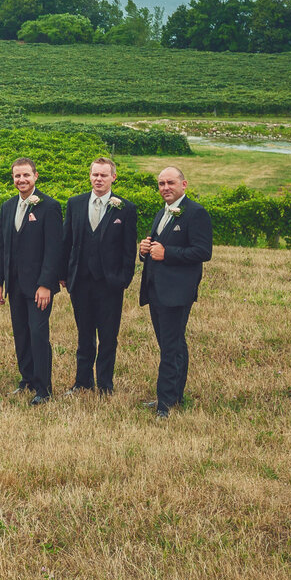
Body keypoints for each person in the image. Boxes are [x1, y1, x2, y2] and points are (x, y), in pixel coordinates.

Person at [139, 166, 212, 419]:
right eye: (161, 183)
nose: (165, 187)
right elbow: (157, 246)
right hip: (157, 289)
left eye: (170, 182)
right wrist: (144, 249)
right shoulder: (162, 213)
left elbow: (203, 252)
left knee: (170, 347)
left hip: (177, 292)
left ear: (184, 184)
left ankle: (165, 403)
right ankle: (174, 397)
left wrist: (167, 253)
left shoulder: (196, 213)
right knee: (173, 344)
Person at [59, 157, 137, 395]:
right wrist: (63, 274)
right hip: (80, 282)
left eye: (104, 175)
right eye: (95, 174)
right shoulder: (75, 203)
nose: (98, 179)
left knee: (108, 337)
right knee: (84, 334)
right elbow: (66, 242)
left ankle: (105, 384)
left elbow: (128, 249)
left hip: (110, 284)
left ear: (113, 177)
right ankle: (83, 381)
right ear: (90, 176)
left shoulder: (125, 208)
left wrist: (123, 279)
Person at [0, 158, 62, 405]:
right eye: (17, 176)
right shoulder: (7, 206)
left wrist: (46, 284)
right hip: (14, 284)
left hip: (38, 287)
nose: (21, 180)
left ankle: (44, 388)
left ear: (35, 176)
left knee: (38, 333)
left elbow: (54, 250)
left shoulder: (49, 206)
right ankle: (27, 379)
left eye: (26, 175)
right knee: (21, 333)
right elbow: (2, 246)